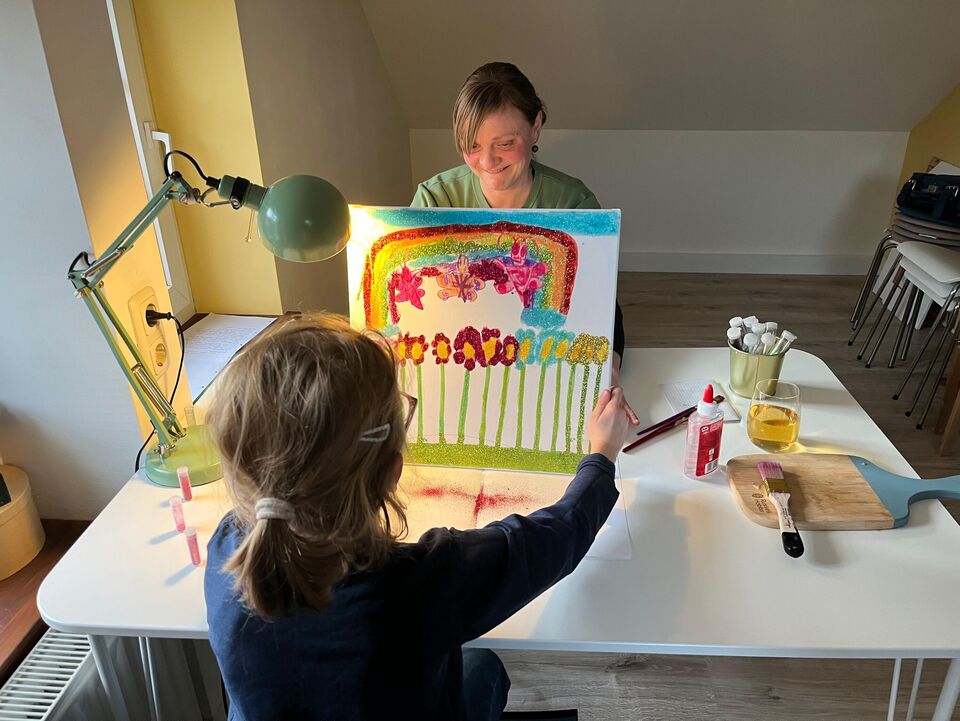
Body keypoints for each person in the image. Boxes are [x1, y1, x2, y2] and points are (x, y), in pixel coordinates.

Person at [204, 313, 632, 721]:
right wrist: (602, 453)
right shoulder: (419, 587)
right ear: (391, 473)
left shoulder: (227, 549)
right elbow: (558, 536)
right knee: (484, 667)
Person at [412, 62, 637, 422]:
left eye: (505, 144)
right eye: (472, 146)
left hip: (545, 368)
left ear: (536, 127)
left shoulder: (574, 205)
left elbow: (603, 304)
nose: (488, 161)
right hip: (455, 371)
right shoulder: (435, 201)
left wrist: (607, 373)